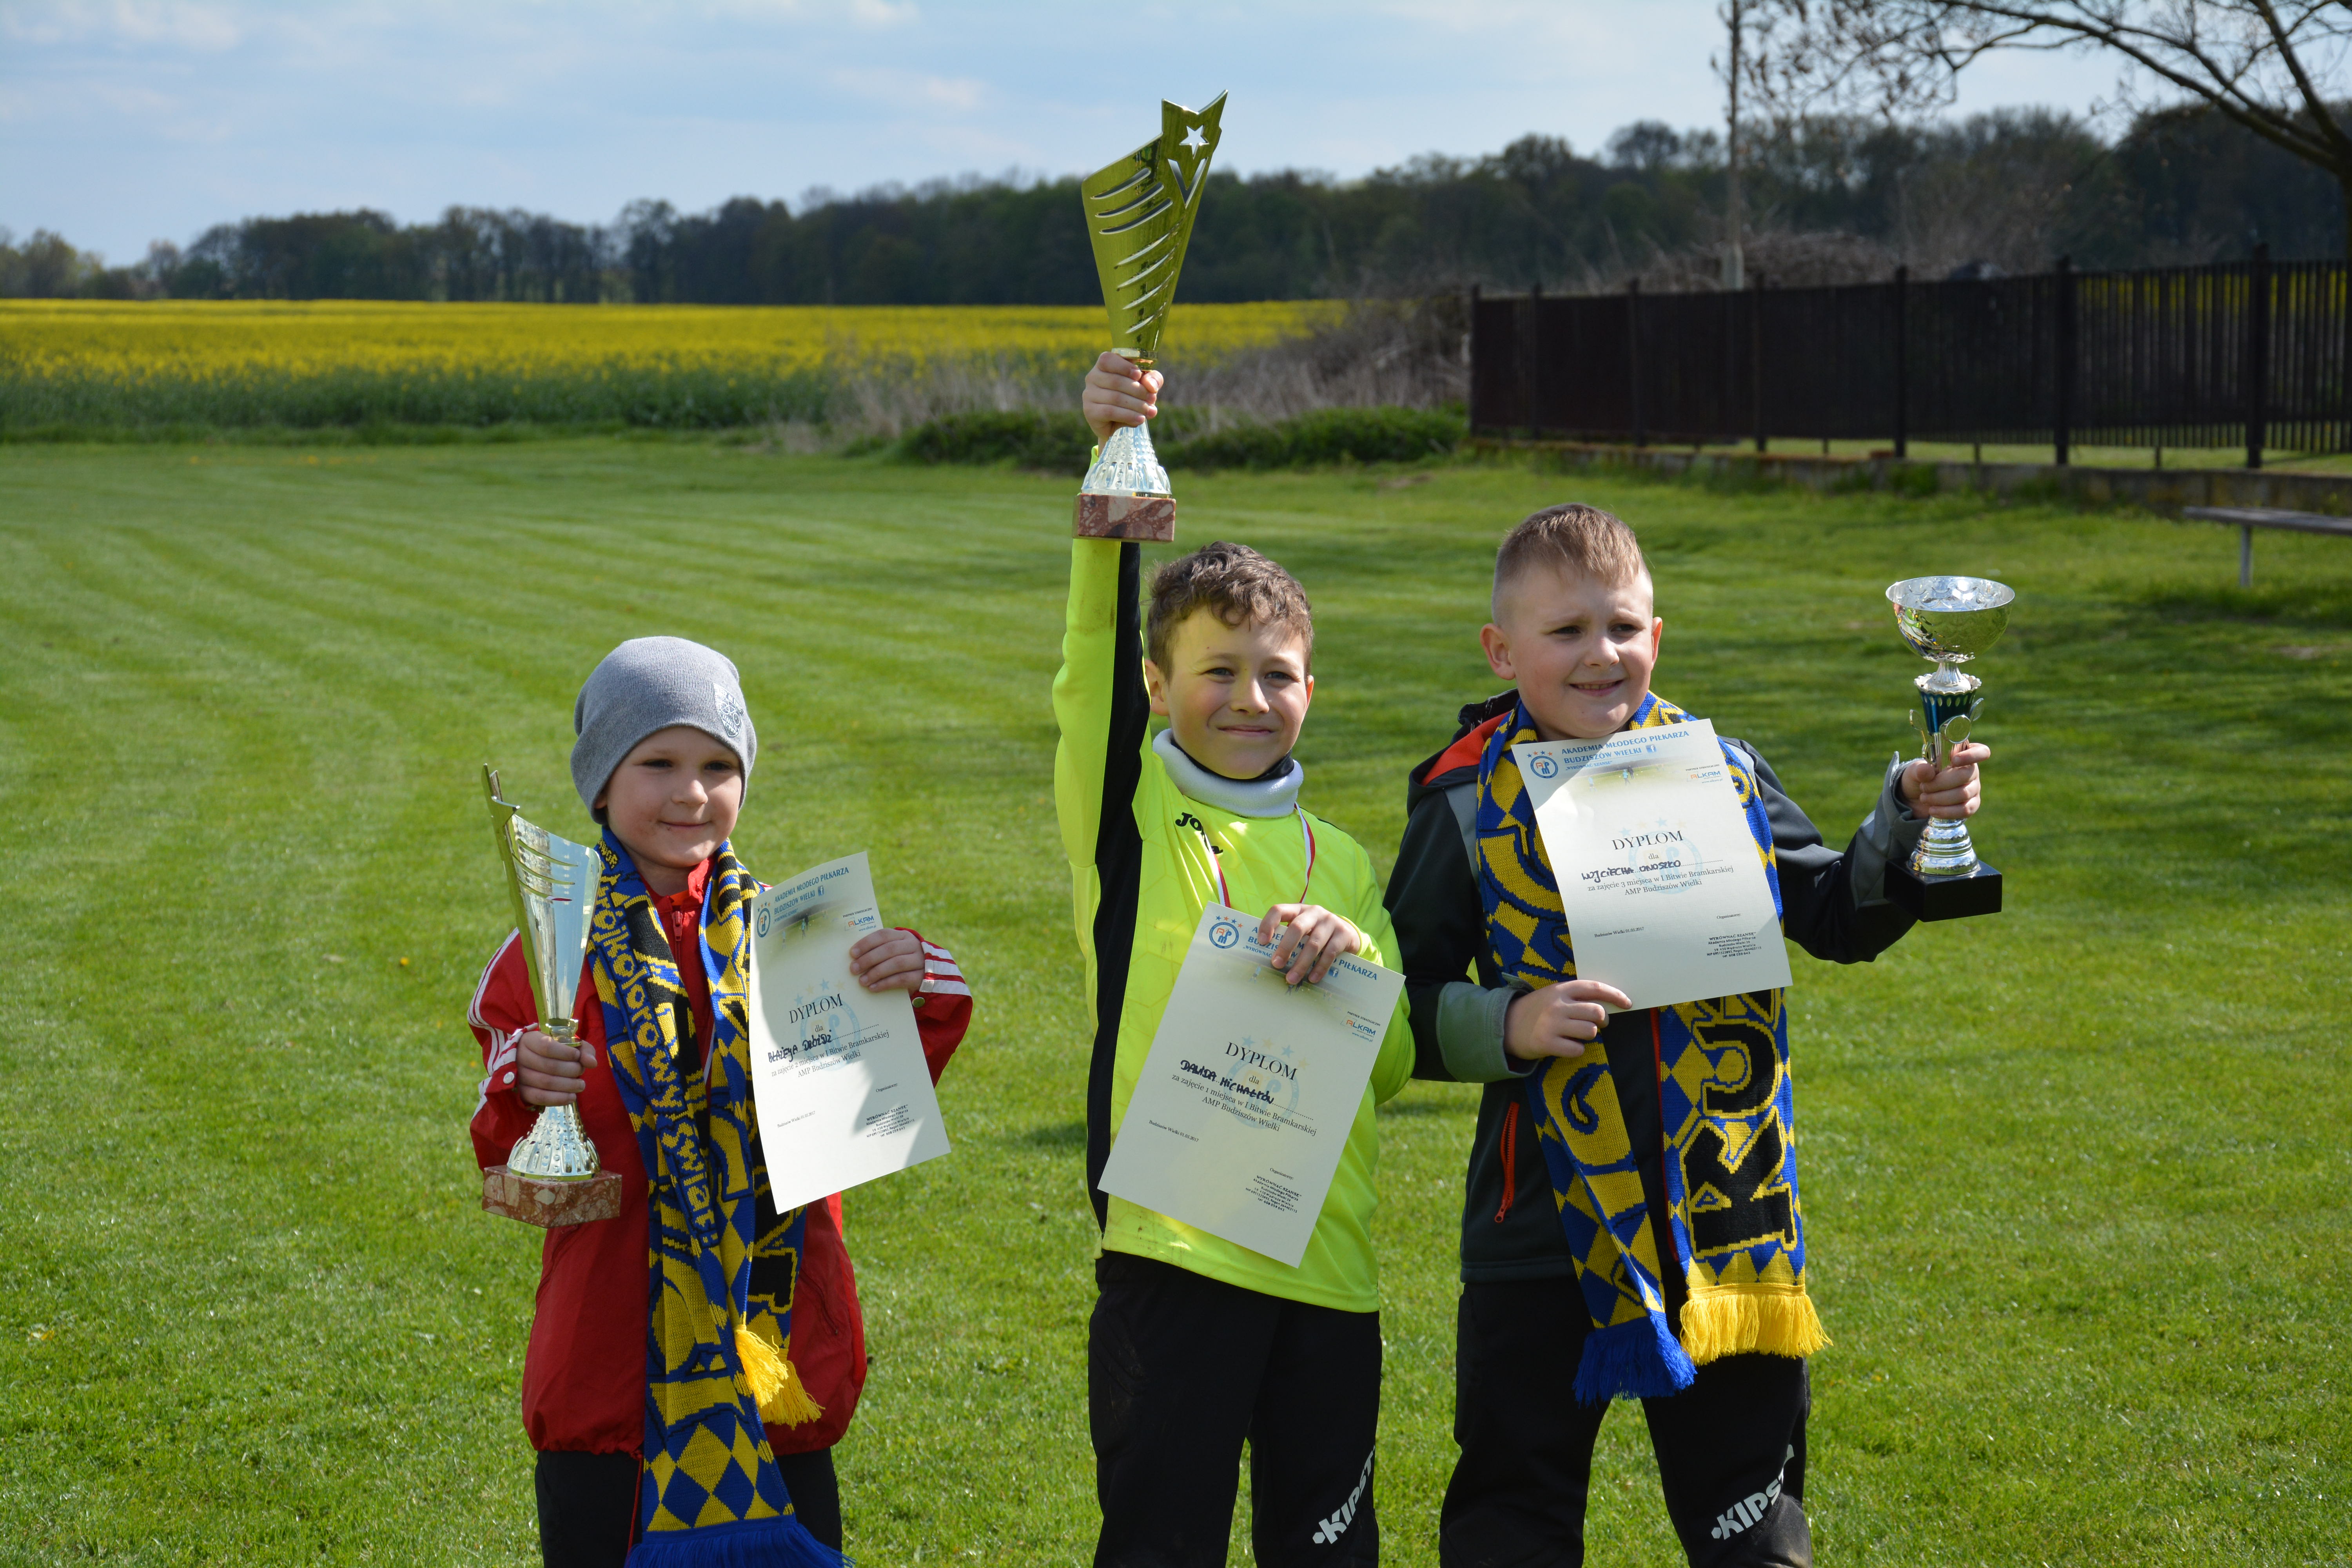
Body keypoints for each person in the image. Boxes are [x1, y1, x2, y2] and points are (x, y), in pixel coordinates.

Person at [1383, 505, 1989, 1568]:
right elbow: (1396, 1007)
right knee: (1512, 1518)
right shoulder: (1464, 800)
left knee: (1752, 1520)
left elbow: (1835, 914)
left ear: (1657, 636)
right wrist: (1509, 1022)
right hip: (1540, 1229)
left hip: (1726, 1217)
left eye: (1623, 627)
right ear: (1502, 650)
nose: (1601, 654)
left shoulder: (1720, 771)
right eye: (1566, 631)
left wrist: (1906, 813)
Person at [465, 635, 973, 1568]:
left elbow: (873, 1098)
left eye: (718, 766)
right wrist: (525, 1079)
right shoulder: (550, 944)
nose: (692, 793)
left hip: (774, 1361)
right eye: (658, 762)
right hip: (611, 1375)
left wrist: (914, 979)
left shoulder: (796, 932)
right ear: (601, 783)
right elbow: (511, 1153)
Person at [1065, 353, 1417, 1566]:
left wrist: (1355, 958)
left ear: (1313, 687)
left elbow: (1391, 1070)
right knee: (1162, 1544)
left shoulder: (1344, 860)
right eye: (1217, 672)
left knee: (1329, 1550)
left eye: (1277, 675)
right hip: (1174, 1256)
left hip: (1328, 1268)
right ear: (1158, 684)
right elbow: (1088, 663)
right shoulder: (1126, 818)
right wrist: (1109, 474)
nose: (1249, 699)